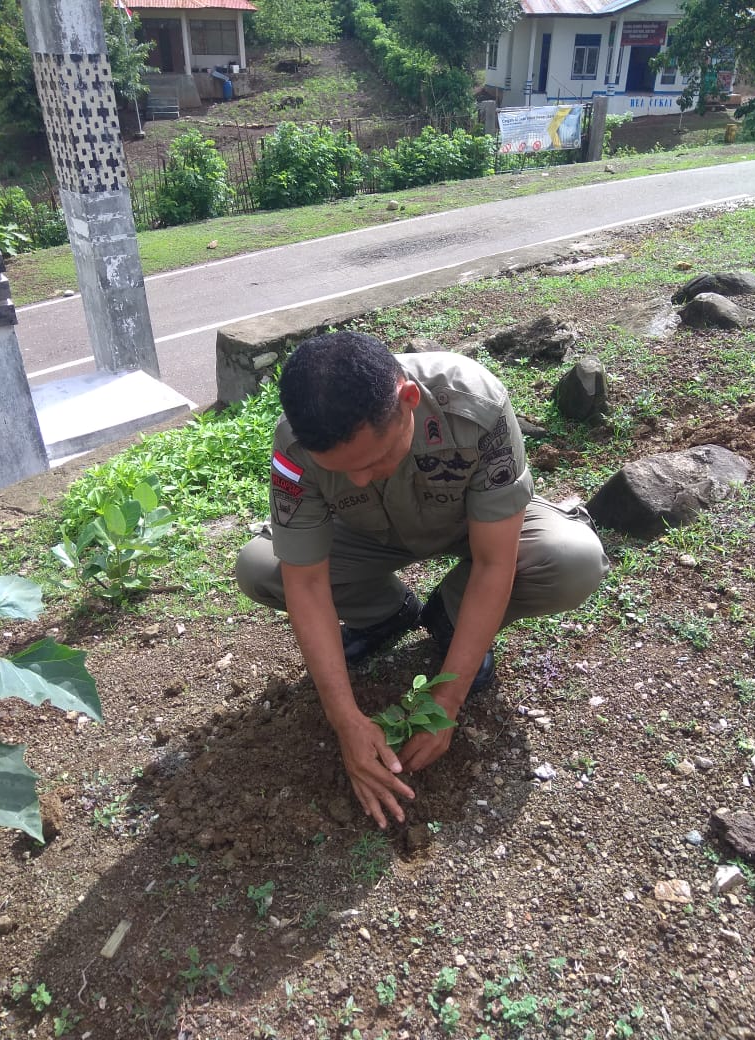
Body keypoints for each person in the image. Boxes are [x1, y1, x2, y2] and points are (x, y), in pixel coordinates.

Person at [236, 331, 609, 828]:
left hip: (471, 526)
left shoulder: (475, 403)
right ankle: (385, 614)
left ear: (409, 402)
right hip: (364, 536)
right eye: (343, 471)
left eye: (372, 460)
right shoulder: (295, 443)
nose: (362, 479)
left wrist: (447, 700)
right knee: (262, 568)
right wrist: (345, 719)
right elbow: (305, 583)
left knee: (573, 560)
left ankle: (450, 617)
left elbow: (496, 562)